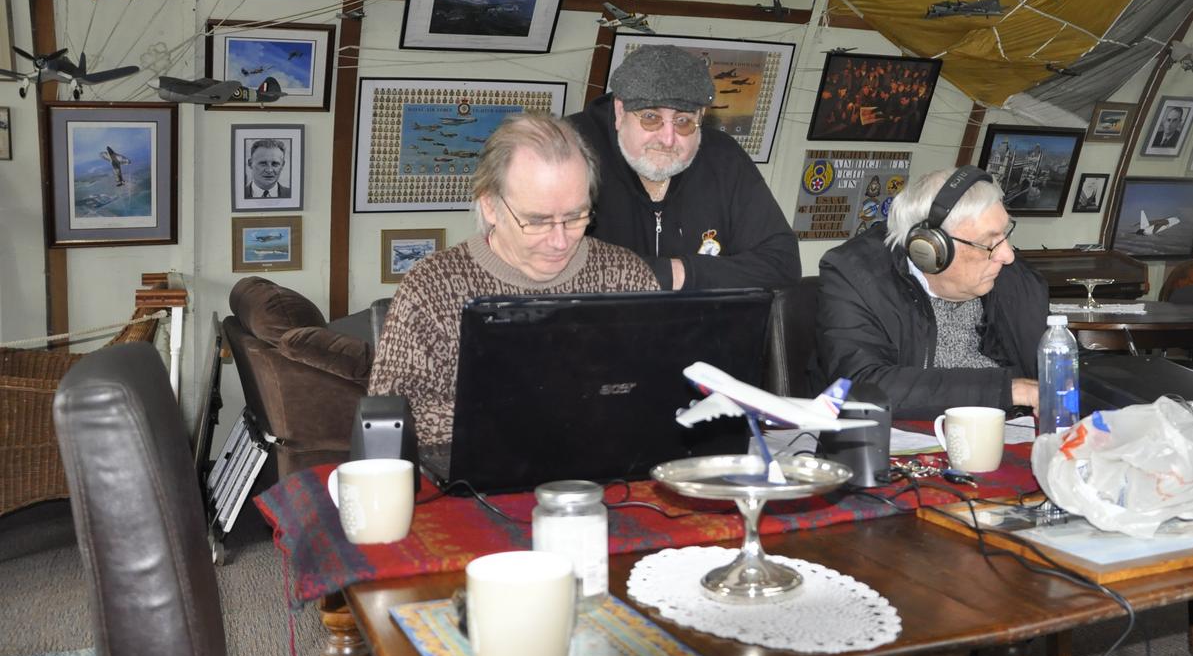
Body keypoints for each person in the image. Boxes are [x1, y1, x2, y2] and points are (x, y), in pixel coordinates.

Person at [370, 112, 658, 445]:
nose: (560, 240)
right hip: (478, 488)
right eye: (537, 221)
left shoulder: (627, 278)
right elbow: (388, 418)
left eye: (576, 217)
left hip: (607, 480)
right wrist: (523, 415)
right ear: (490, 205)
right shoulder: (433, 287)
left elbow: (657, 394)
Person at [815, 166, 1048, 419]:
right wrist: (1008, 390)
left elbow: (1056, 359)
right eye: (989, 243)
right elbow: (863, 386)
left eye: (1006, 233)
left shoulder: (1014, 277)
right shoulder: (854, 275)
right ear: (931, 250)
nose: (1008, 255)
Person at [569, 44, 799, 291]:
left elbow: (783, 265)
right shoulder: (568, 152)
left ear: (701, 116)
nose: (668, 139)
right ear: (619, 110)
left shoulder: (723, 158)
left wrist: (678, 274)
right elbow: (544, 264)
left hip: (704, 326)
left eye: (683, 121)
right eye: (650, 117)